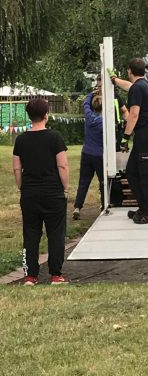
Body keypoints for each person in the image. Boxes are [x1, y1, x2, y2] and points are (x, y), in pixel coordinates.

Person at [12, 99, 69, 285]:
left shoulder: (20, 139)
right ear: (46, 115)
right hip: (53, 192)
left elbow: (16, 168)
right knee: (56, 234)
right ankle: (55, 274)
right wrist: (65, 187)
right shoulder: (55, 137)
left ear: (29, 116)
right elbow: (62, 165)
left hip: (29, 193)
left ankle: (30, 275)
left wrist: (22, 187)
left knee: (30, 233)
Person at [109, 58, 148, 224]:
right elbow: (129, 86)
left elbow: (134, 114)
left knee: (146, 174)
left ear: (129, 71)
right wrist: (115, 81)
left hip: (145, 135)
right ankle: (145, 207)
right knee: (132, 171)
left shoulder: (137, 89)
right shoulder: (146, 85)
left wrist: (125, 138)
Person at [72, 94, 103, 220]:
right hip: (99, 155)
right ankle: (104, 204)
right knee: (103, 181)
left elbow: (85, 102)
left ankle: (77, 207)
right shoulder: (104, 122)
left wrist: (92, 93)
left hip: (86, 153)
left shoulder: (88, 115)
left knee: (83, 182)